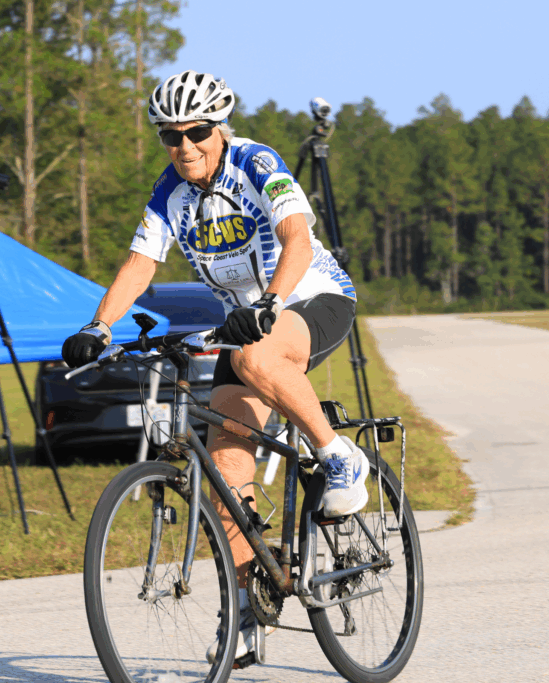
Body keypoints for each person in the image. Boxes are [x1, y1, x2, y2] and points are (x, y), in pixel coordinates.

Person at [61, 70, 367, 663]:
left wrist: (270, 303)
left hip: (310, 298)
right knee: (225, 466)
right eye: (170, 137)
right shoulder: (168, 191)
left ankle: (338, 458)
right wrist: (97, 327)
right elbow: (139, 263)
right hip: (243, 325)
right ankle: (251, 607)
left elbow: (297, 239)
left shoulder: (257, 163)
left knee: (256, 355)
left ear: (218, 127)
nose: (185, 147)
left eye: (197, 131)